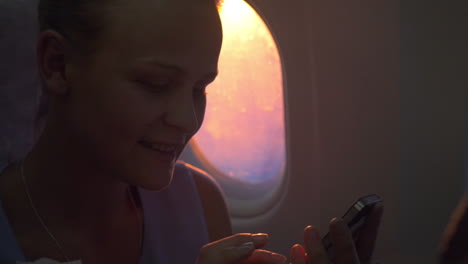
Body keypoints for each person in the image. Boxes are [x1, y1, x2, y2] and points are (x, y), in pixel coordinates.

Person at [0, 0, 384, 263]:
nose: (187, 119)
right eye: (155, 84)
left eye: (200, 87)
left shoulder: (201, 204)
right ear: (58, 65)